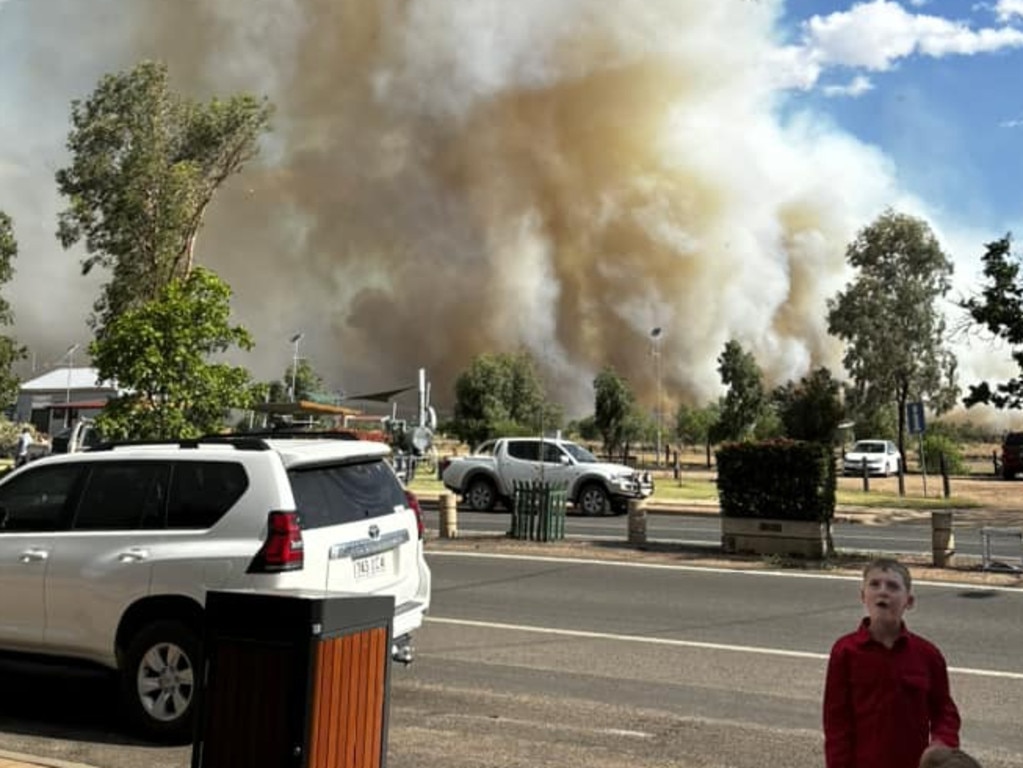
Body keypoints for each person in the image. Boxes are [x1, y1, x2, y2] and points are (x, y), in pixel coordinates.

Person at [823, 557, 961, 768]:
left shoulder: (927, 654)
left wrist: (942, 745)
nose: (883, 591)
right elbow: (836, 721)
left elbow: (944, 711)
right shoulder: (845, 651)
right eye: (875, 584)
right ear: (863, 596)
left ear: (909, 601)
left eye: (893, 586)